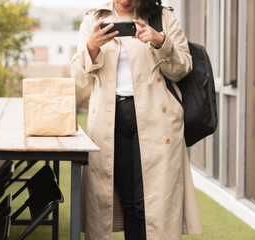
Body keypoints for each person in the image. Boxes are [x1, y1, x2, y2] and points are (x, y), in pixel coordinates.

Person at [70, 0, 203, 239]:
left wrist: (160, 42)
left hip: (155, 119)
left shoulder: (163, 17)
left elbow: (183, 68)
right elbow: (79, 78)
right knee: (130, 202)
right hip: (111, 121)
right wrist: (91, 47)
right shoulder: (94, 18)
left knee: (150, 204)